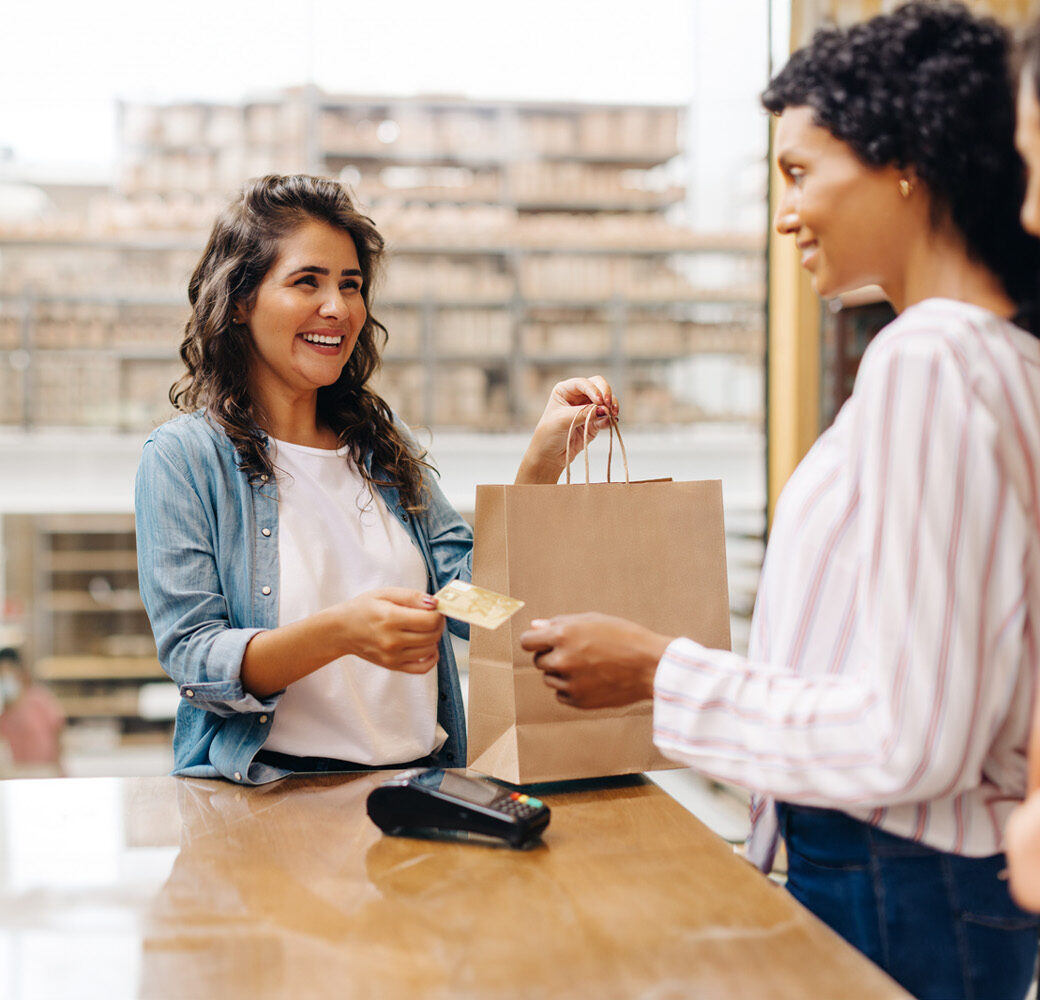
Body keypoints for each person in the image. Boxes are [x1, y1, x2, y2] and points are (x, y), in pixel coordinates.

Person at [521, 4, 1040, 998]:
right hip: (942, 885)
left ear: (904, 161)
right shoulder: (1006, 362)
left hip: (896, 876)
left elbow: (911, 737)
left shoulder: (928, 361)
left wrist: (653, 670)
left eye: (799, 172)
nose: (783, 212)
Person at [135, 173, 615, 787]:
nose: (338, 307)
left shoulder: (382, 447)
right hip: (270, 797)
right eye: (307, 281)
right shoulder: (184, 459)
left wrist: (543, 464)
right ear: (240, 301)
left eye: (351, 285)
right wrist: (341, 631)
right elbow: (195, 659)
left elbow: (477, 606)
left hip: (417, 792)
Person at [0, 647, 64, 777]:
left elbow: (58, 730)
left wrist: (58, 766)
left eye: (8, 672)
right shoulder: (4, 708)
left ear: (21, 672)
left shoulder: (39, 698)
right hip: (17, 772)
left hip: (45, 770)